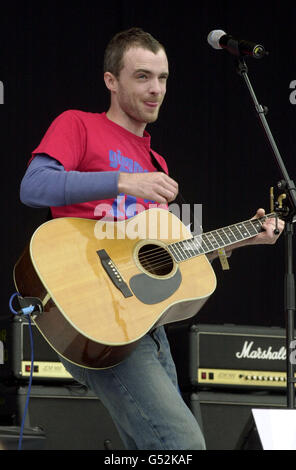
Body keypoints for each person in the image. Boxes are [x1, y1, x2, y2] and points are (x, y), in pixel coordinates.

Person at [20, 27, 284, 450]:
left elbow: (166, 257)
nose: (155, 89)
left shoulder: (154, 159)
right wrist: (126, 181)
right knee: (182, 446)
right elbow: (33, 187)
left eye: (162, 78)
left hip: (145, 322)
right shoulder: (79, 125)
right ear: (112, 81)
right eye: (142, 76)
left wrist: (247, 238)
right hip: (97, 314)